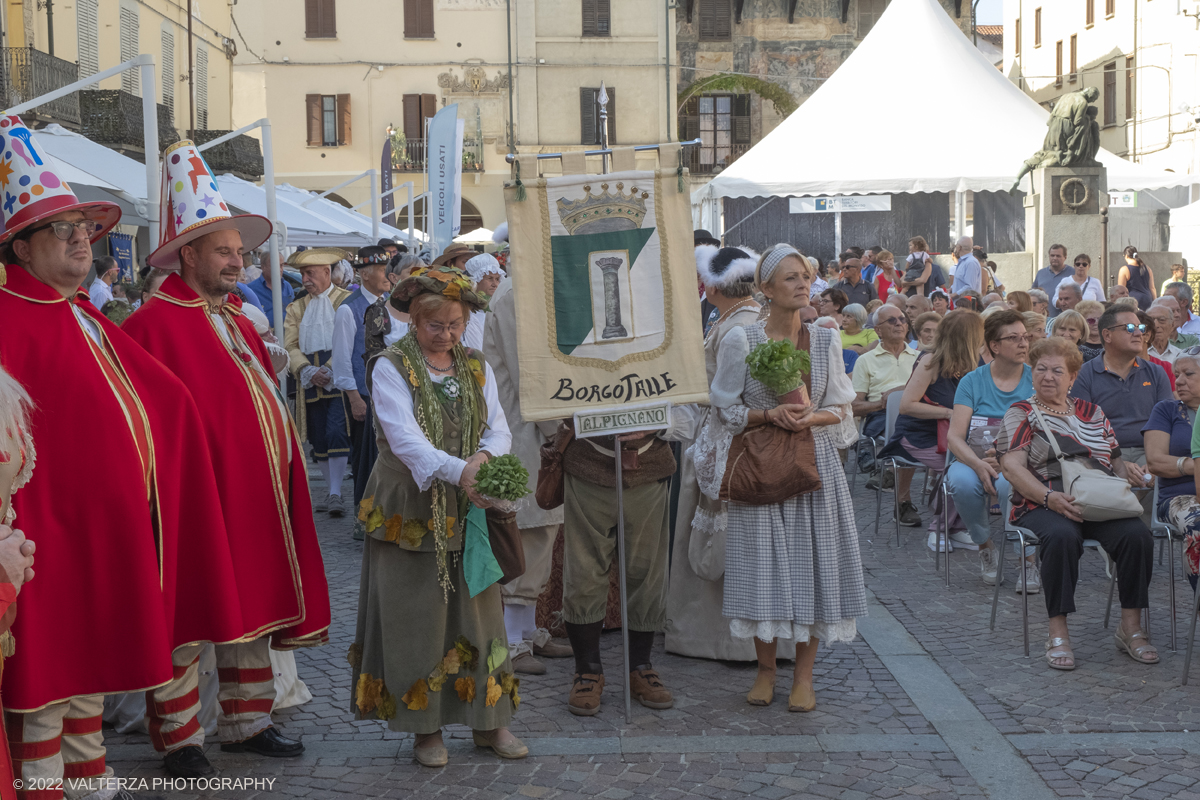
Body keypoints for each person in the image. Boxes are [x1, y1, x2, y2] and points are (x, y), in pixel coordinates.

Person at [0, 118, 245, 798]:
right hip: (39, 534)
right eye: (65, 229)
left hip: (105, 528)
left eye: (88, 228)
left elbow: (163, 401)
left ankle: (86, 774)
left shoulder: (81, 313)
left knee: (91, 663)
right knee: (50, 667)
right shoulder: (7, 319)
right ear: (22, 246)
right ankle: (46, 782)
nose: (85, 239)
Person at [122, 141, 331, 775]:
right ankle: (181, 738)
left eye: (241, 251)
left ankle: (248, 722)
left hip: (253, 494)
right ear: (189, 255)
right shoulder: (149, 326)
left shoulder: (237, 320)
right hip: (193, 501)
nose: (239, 261)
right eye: (224, 251)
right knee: (188, 617)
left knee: (251, 608)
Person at [350, 265, 525, 767]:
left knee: (480, 611)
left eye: (456, 325)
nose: (447, 335)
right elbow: (405, 440)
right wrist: (460, 470)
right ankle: (423, 727)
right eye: (436, 326)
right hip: (410, 505)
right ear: (413, 322)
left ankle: (491, 721)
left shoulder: (475, 364)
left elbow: (498, 427)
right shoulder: (390, 366)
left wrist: (485, 462)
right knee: (416, 617)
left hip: (466, 505)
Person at [698, 244, 863, 711]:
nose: (803, 284)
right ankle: (766, 671)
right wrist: (769, 413)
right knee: (761, 568)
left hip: (816, 466)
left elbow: (841, 409)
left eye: (806, 276)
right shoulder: (741, 340)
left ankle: (804, 678)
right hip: (761, 465)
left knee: (814, 566)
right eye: (790, 278)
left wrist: (811, 419)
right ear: (766, 289)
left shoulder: (827, 340)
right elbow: (724, 409)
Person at [996, 337, 1156, 670]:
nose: (1048, 376)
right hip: (1040, 501)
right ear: (1032, 373)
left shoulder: (1092, 412)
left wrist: (1133, 472)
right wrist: (1048, 497)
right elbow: (1011, 466)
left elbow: (1115, 462)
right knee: (1062, 536)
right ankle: (1058, 632)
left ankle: (1130, 628)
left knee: (1137, 536)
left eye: (1057, 370)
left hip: (1095, 499)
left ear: (1073, 376)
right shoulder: (1021, 413)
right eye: (1041, 369)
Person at [666, 245, 774, 662]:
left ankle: (719, 638)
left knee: (719, 542)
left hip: (727, 445)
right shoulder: (747, 321)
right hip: (738, 442)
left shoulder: (736, 330)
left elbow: (725, 401)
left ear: (712, 287)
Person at [483, 255, 573, 674]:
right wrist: (563, 430)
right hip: (525, 432)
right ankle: (511, 640)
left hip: (535, 431)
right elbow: (531, 376)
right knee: (527, 532)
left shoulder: (527, 290)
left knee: (541, 530)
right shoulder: (517, 294)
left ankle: (524, 630)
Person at [945, 310, 1035, 587]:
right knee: (960, 481)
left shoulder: (1035, 379)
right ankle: (985, 548)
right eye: (1014, 338)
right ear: (994, 346)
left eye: (1025, 337)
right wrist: (977, 464)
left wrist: (1008, 461)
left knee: (1012, 486)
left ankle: (1028, 560)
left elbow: (1046, 433)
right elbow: (955, 436)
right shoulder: (972, 381)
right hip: (975, 456)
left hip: (1022, 459)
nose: (1023, 344)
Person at [879, 310, 983, 550]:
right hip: (917, 437)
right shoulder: (930, 361)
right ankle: (940, 528)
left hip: (952, 436)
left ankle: (955, 528)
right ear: (967, 337)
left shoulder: (974, 361)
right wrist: (949, 413)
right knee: (960, 468)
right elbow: (906, 405)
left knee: (974, 466)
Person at [284, 247, 355, 516]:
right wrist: (306, 369)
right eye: (303, 274)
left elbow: (350, 341)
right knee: (317, 436)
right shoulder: (297, 306)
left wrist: (328, 368)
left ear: (327, 272)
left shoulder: (347, 301)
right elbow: (290, 343)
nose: (305, 279)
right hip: (308, 378)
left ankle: (336, 492)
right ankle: (331, 490)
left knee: (336, 431)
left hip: (339, 375)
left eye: (310, 273)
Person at [336, 246, 393, 538]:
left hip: (388, 394)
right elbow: (343, 359)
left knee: (386, 457)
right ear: (366, 274)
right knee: (363, 458)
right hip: (363, 394)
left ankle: (381, 512)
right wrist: (354, 398)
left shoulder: (390, 303)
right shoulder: (349, 308)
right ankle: (363, 517)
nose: (387, 275)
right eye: (383, 270)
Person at [1143, 356, 1200, 589]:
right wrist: (1195, 465)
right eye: (1177, 374)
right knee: (1198, 525)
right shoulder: (1167, 409)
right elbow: (1155, 461)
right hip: (1178, 498)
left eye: (1189, 374)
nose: (1178, 381)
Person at [852, 305, 919, 498]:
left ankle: (888, 472)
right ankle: (903, 500)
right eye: (892, 320)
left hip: (915, 413)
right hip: (880, 416)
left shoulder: (920, 359)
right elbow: (854, 407)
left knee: (913, 423)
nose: (899, 323)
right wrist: (885, 404)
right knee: (908, 427)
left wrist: (900, 393)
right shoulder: (865, 360)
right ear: (878, 330)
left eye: (902, 319)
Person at [365, 253, 423, 360]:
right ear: (394, 278)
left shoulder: (430, 309)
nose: (419, 276)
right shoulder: (378, 312)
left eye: (422, 272)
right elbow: (373, 356)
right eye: (413, 271)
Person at [463, 253, 505, 351]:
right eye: (490, 278)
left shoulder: (500, 308)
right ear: (476, 280)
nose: (495, 284)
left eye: (497, 279)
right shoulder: (469, 314)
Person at [1138, 311, 1177, 392]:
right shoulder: (1117, 368)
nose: (1132, 334)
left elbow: (1176, 400)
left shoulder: (1165, 368)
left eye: (1138, 329)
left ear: (1147, 336)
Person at [1032, 244, 1073, 317]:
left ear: (1065, 257)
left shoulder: (1072, 273)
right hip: (1044, 319)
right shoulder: (1041, 273)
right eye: (1052, 255)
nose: (1055, 258)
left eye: (1058, 256)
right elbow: (1032, 295)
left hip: (1066, 318)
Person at [1118, 245, 1156, 310]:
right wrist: (1155, 302)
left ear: (1126, 256)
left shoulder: (1124, 269)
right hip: (1148, 299)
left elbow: (1121, 288)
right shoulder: (1147, 268)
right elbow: (1152, 288)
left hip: (1133, 301)